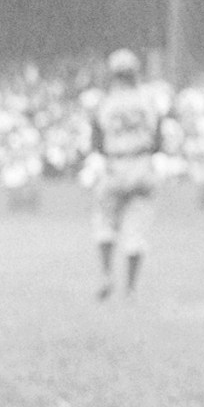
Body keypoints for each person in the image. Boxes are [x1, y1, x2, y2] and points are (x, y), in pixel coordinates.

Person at [86, 49, 166, 301]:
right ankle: (130, 288)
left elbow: (97, 143)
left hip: (114, 165)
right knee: (136, 231)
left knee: (105, 223)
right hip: (141, 164)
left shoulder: (104, 102)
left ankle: (106, 274)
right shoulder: (149, 100)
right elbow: (158, 141)